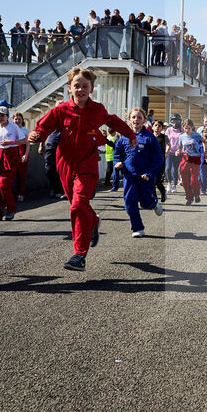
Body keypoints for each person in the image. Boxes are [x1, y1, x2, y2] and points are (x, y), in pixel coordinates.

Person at [28, 67, 136, 271]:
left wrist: (130, 134)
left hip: (87, 164)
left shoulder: (98, 110)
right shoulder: (61, 110)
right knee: (79, 204)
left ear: (91, 88)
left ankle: (79, 254)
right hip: (65, 164)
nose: (80, 89)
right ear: (70, 88)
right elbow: (44, 125)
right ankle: (93, 221)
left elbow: (113, 120)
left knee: (78, 205)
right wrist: (37, 135)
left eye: (84, 86)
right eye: (76, 86)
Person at [114, 107, 164, 237]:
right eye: (134, 117)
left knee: (145, 202)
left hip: (145, 176)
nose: (136, 120)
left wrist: (150, 173)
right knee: (129, 201)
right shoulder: (124, 137)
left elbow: (158, 157)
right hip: (129, 174)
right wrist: (117, 162)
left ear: (144, 120)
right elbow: (117, 153)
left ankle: (153, 203)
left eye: (139, 117)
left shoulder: (149, 137)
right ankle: (137, 228)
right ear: (129, 119)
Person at [0, 106, 26, 220]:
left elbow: (24, 140)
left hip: (10, 156)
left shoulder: (13, 126)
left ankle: (11, 209)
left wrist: (11, 142)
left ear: (7, 117)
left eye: (2, 115)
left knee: (3, 185)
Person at [176, 119, 205, 205]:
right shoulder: (181, 137)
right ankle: (189, 198)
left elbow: (204, 142)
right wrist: (178, 151)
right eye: (185, 128)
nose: (187, 130)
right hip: (185, 159)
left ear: (192, 127)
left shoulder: (196, 135)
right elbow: (180, 147)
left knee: (193, 180)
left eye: (188, 128)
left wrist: (203, 152)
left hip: (195, 159)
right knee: (185, 181)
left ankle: (196, 194)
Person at [12, 113, 30, 201]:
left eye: (19, 119)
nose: (17, 121)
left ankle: (21, 194)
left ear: (22, 120)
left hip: (22, 155)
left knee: (21, 176)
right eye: (15, 119)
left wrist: (25, 155)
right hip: (11, 155)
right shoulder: (9, 130)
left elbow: (27, 145)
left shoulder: (25, 130)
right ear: (12, 120)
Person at [150, 119, 168, 203]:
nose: (157, 127)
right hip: (151, 161)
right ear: (152, 127)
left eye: (159, 126)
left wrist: (167, 153)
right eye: (155, 125)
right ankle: (154, 197)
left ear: (162, 128)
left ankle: (163, 193)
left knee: (157, 180)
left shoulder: (164, 137)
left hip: (161, 161)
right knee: (151, 180)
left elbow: (169, 145)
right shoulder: (150, 136)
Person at [165, 114, 183, 193]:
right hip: (169, 152)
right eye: (173, 120)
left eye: (177, 120)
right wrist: (167, 150)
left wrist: (179, 150)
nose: (175, 122)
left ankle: (174, 186)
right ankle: (169, 183)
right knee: (168, 168)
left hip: (178, 152)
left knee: (175, 169)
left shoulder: (182, 130)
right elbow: (166, 140)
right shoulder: (168, 130)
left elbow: (183, 142)